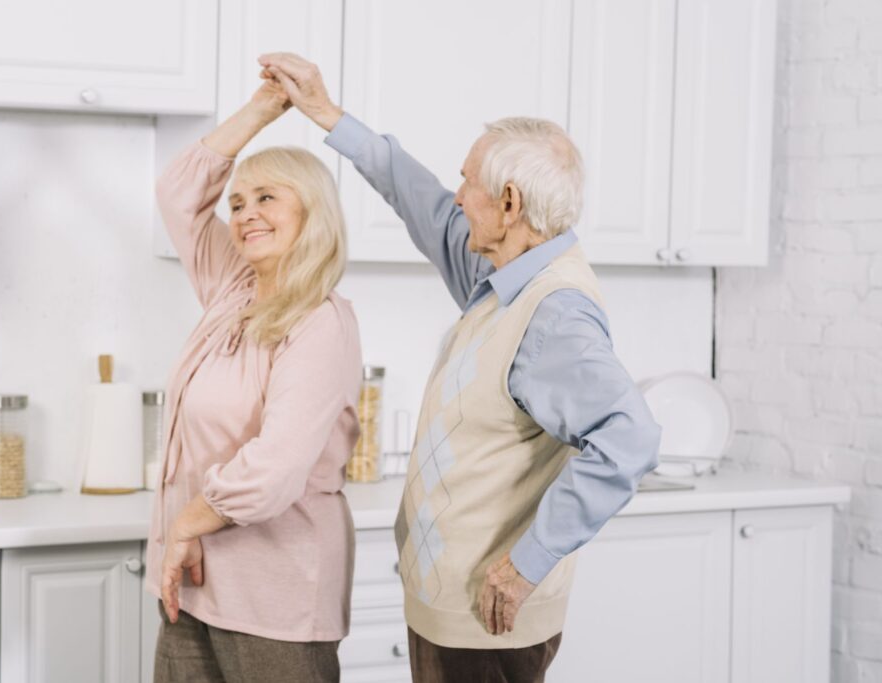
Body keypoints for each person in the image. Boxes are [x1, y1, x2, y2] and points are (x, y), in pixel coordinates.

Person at [261, 53, 663, 682]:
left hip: (486, 621)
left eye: (468, 181)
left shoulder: (553, 314)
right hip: (450, 608)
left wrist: (527, 562)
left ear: (507, 201)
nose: (456, 195)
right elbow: (421, 200)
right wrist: (326, 114)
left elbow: (630, 439)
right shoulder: (499, 273)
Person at [145, 72, 363, 682]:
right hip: (191, 582)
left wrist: (184, 523)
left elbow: (273, 470)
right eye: (238, 202)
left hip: (277, 598)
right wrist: (263, 108)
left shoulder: (321, 321)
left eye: (268, 198)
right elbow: (178, 191)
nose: (245, 214)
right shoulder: (232, 287)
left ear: (310, 211)